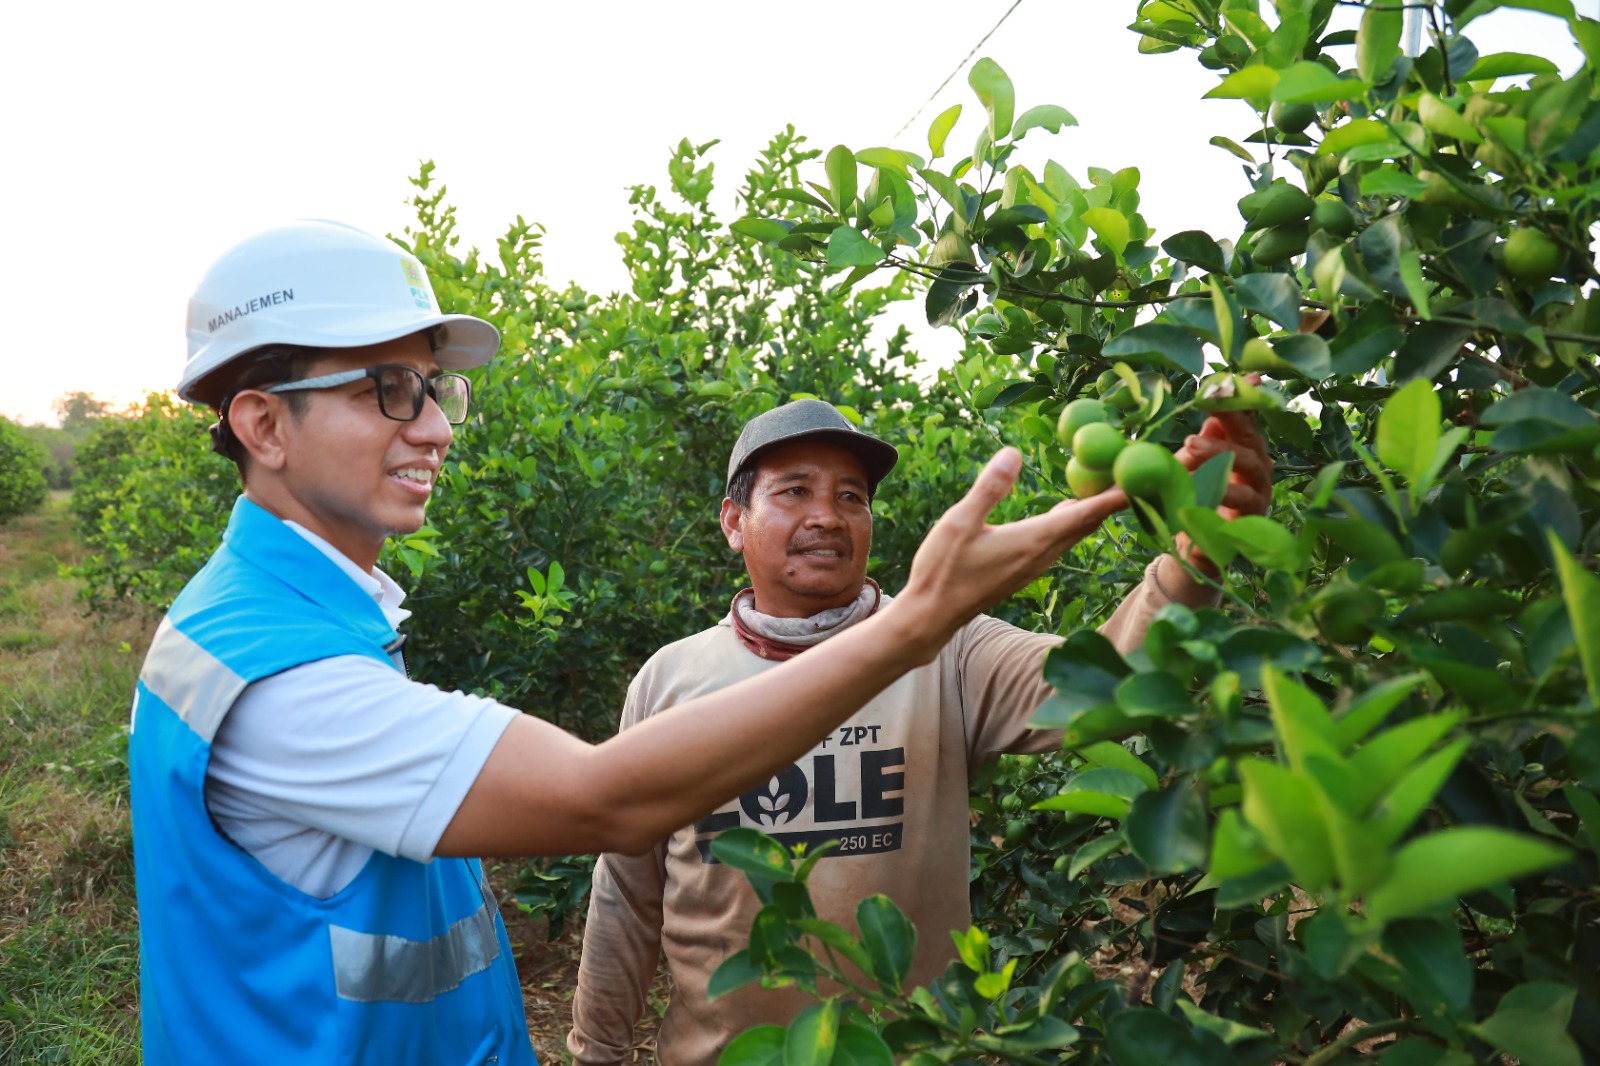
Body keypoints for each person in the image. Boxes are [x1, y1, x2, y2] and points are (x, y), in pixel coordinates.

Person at [127, 220, 1137, 1066]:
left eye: (435, 389)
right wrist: (916, 620)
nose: (434, 427)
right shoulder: (277, 677)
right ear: (262, 424)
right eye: (389, 388)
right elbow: (607, 805)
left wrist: (1183, 555)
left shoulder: (311, 624)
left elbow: (1113, 688)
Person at [567, 398, 1272, 1065]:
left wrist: (1195, 555)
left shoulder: (947, 649)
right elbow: (627, 892)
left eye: (852, 497)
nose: (828, 517)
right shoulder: (670, 681)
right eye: (795, 491)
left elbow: (1110, 683)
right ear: (732, 521)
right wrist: (595, 1052)